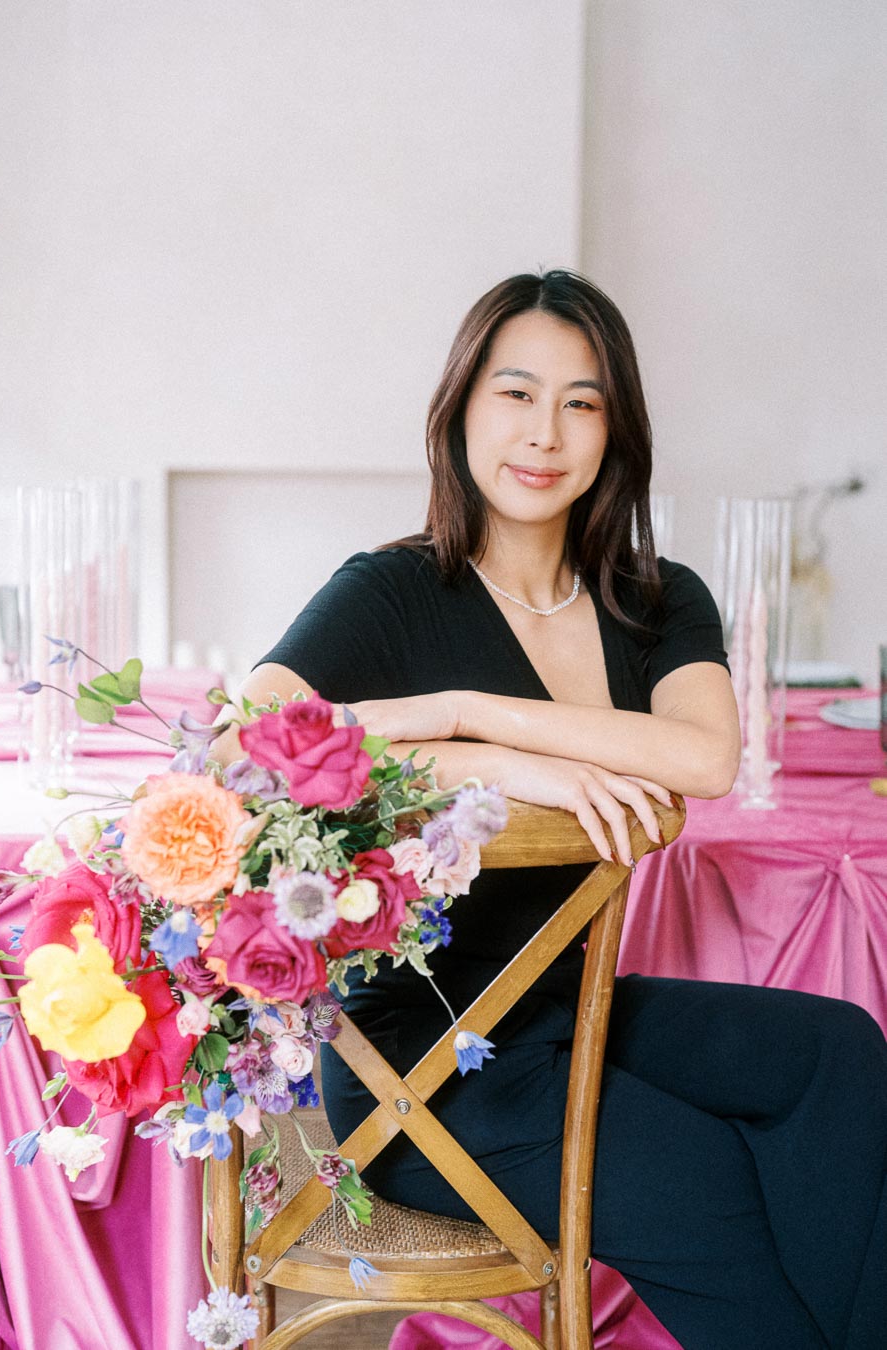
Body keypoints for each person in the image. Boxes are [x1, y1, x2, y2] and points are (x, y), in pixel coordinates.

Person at [218, 270, 887, 1348]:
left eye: (582, 402)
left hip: (571, 1015)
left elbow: (706, 757)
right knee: (700, 1170)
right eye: (515, 393)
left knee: (836, 1054)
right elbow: (238, 748)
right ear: (462, 411)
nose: (545, 432)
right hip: (426, 1068)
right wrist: (462, 749)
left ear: (615, 430)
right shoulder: (391, 591)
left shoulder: (653, 596)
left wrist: (486, 718)